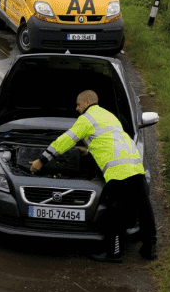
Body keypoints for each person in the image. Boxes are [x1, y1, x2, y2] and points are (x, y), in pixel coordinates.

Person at [30, 90, 157, 263]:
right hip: (134, 165)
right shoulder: (109, 115)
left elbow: (66, 140)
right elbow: (109, 140)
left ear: (87, 101)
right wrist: (88, 150)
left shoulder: (87, 119)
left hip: (118, 171)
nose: (77, 108)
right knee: (144, 208)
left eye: (78, 104)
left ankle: (114, 253)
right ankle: (150, 249)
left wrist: (42, 160)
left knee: (115, 212)